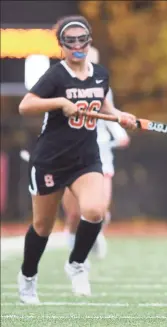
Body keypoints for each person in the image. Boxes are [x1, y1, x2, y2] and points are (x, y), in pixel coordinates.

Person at [17, 15, 136, 304]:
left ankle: (77, 263)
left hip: (85, 159)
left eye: (81, 39)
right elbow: (25, 105)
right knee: (43, 227)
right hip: (51, 160)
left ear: (89, 40)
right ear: (62, 46)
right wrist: (60, 103)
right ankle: (28, 277)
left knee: (95, 210)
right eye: (69, 41)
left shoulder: (100, 74)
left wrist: (120, 117)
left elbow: (106, 105)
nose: (76, 45)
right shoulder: (56, 76)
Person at [62, 47, 130, 260]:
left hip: (100, 155)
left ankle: (93, 235)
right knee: (74, 213)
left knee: (99, 209)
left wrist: (121, 132)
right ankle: (74, 244)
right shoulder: (61, 86)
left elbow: (111, 113)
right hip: (71, 156)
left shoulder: (102, 87)